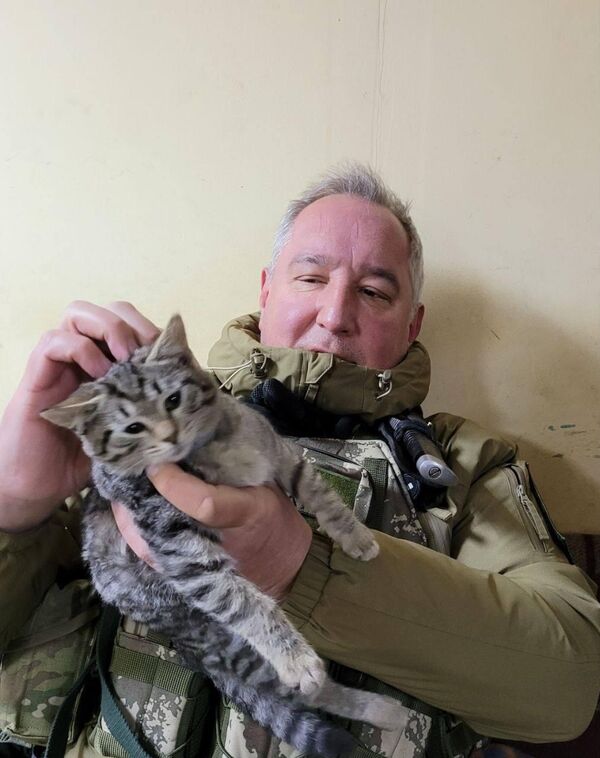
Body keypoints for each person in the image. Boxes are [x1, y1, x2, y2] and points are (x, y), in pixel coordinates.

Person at [1, 164, 599, 758]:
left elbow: (566, 690)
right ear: (266, 291)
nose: (335, 315)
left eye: (374, 292)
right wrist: (14, 505)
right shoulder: (139, 421)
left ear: (412, 322)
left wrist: (298, 565)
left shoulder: (466, 463)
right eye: (311, 278)